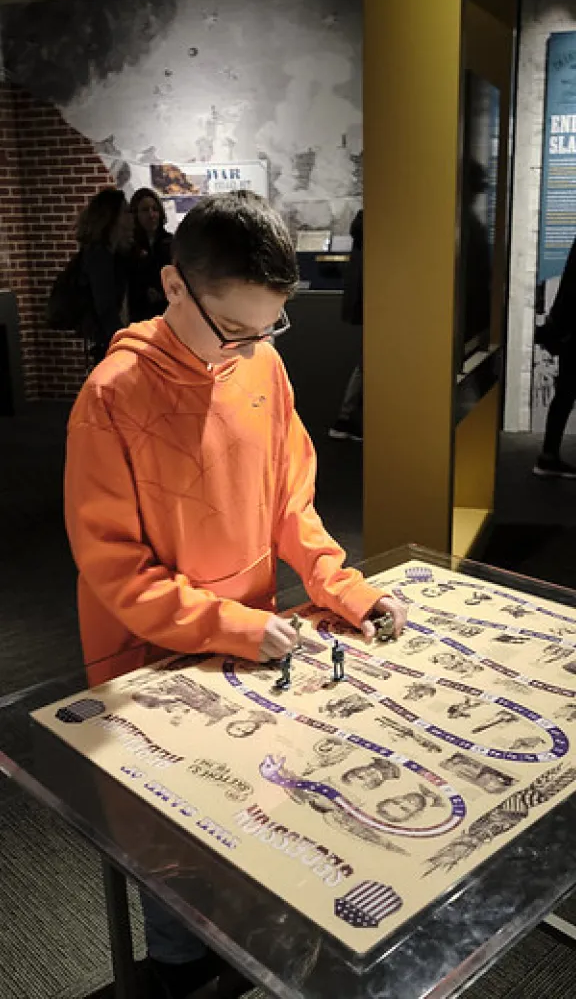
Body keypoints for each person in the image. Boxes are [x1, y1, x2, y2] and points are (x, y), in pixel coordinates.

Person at [64, 191, 407, 999]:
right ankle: (179, 969)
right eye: (234, 329)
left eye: (269, 328)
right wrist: (232, 625)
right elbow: (116, 571)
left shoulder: (263, 366)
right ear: (173, 287)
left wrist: (340, 586)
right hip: (146, 662)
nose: (252, 347)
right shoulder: (111, 395)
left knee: (253, 811)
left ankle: (232, 952)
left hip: (247, 644)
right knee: (167, 843)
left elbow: (291, 504)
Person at [534, 235, 576, 478]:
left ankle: (548, 455)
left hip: (570, 332)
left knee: (565, 393)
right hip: (573, 332)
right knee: (566, 393)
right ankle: (548, 456)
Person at [77, 187, 134, 363]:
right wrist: (122, 343)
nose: (131, 217)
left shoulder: (115, 254)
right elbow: (106, 307)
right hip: (108, 344)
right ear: (112, 218)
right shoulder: (99, 256)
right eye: (125, 212)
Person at [329, 208, 363, 442]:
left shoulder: (362, 232)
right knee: (367, 365)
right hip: (379, 309)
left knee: (366, 365)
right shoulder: (376, 233)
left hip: (370, 308)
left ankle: (346, 418)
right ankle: (346, 418)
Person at [128, 187, 173, 321]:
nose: (151, 214)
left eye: (155, 209)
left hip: (168, 312)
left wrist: (162, 293)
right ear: (135, 214)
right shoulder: (129, 245)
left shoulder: (171, 242)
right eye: (145, 210)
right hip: (138, 314)